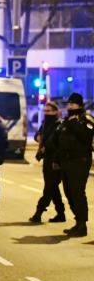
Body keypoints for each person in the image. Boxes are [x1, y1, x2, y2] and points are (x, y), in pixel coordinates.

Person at [51, 93, 93, 237]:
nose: (70, 106)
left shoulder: (85, 119)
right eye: (69, 104)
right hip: (66, 161)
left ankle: (82, 225)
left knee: (77, 192)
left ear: (79, 105)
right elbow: (59, 141)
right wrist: (56, 159)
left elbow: (86, 137)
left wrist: (73, 124)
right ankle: (78, 221)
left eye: (73, 104)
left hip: (80, 161)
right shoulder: (66, 120)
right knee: (68, 192)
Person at [29, 102, 66, 223]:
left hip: (55, 161)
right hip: (47, 159)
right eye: (45, 111)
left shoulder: (59, 124)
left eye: (49, 111)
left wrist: (46, 144)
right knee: (53, 188)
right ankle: (61, 214)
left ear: (56, 112)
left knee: (49, 188)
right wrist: (40, 139)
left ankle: (38, 213)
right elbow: (37, 136)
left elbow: (57, 143)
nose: (46, 113)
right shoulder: (45, 124)